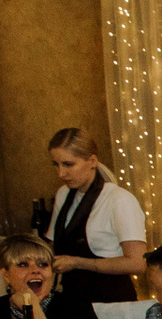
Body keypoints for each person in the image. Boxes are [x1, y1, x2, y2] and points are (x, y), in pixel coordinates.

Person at [44, 128, 147, 303]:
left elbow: (137, 263)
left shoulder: (118, 200)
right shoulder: (63, 194)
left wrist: (77, 263)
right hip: (73, 297)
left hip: (112, 300)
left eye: (68, 164)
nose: (61, 173)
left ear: (92, 161)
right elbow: (53, 245)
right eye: (56, 164)